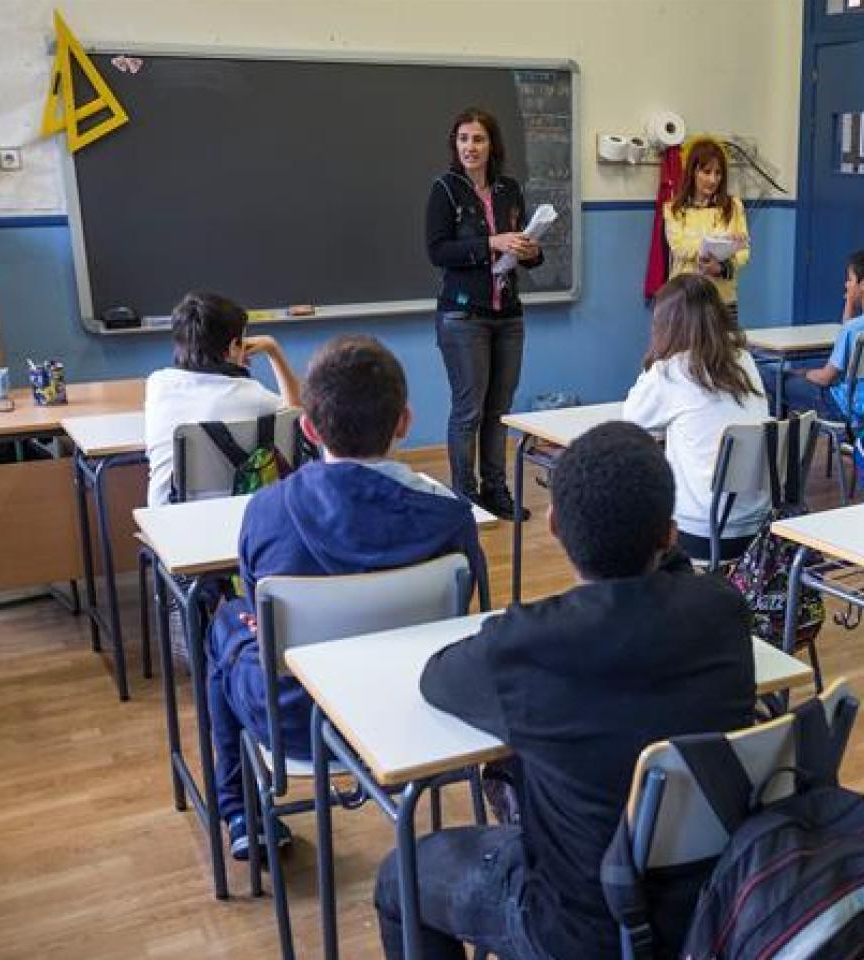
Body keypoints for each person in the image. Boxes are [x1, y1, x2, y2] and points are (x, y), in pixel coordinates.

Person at [377, 422, 756, 960]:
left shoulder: (528, 644)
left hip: (576, 929)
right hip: (713, 907)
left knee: (401, 876)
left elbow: (436, 678)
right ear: (670, 534)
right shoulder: (722, 610)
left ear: (553, 525)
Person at [206, 336, 484, 859]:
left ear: (308, 429)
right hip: (415, 706)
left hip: (293, 720)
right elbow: (461, 611)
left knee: (224, 624)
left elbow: (254, 598)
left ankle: (242, 811)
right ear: (404, 422)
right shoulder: (449, 515)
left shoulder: (267, 510)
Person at [427, 105, 544, 521]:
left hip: (508, 314)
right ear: (455, 145)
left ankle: (497, 491)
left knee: (500, 409)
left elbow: (524, 247)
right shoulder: (445, 189)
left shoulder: (509, 188)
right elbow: (438, 251)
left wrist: (531, 251)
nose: (470, 147)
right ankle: (465, 497)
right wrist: (491, 243)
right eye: (463, 139)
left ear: (492, 144)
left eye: (478, 139)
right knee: (469, 411)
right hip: (463, 317)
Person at [623, 274, 772, 564]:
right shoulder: (743, 359)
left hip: (702, 530)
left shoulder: (671, 371)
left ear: (666, 325)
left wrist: (656, 360)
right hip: (757, 524)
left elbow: (633, 421)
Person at [144, 291, 300, 506]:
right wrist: (273, 350)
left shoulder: (157, 384)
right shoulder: (255, 397)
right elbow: (298, 413)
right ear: (234, 346)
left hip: (167, 520)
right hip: (234, 518)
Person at [782, 247, 864, 421]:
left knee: (776, 380)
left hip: (843, 407)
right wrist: (850, 303)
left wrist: (804, 373)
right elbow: (851, 331)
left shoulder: (854, 328)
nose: (846, 284)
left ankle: (780, 442)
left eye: (850, 279)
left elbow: (825, 378)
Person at [664, 136, 751, 320]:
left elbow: (743, 252)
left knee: (725, 347)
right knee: (686, 349)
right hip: (686, 299)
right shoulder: (674, 208)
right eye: (706, 171)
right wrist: (719, 243)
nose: (713, 179)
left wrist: (720, 267)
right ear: (693, 172)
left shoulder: (733, 206)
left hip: (723, 299)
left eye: (718, 173)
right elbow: (679, 247)